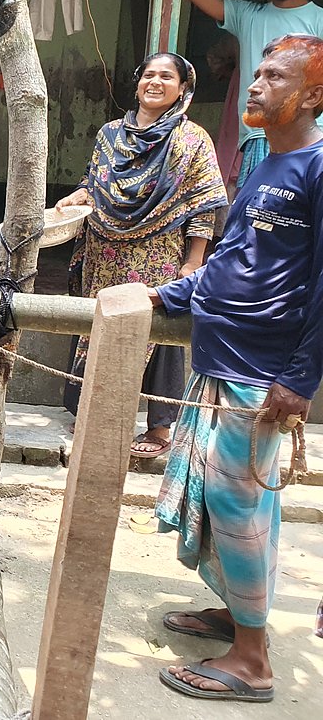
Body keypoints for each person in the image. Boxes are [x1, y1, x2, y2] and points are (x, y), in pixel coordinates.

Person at [151, 34, 323, 703]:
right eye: (257, 73)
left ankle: (252, 660)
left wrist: (300, 380)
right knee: (241, 504)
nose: (255, 85)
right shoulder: (263, 162)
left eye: (275, 77)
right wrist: (169, 293)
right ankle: (235, 611)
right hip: (224, 358)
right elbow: (232, 259)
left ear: (312, 95)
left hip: (264, 369)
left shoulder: (316, 167)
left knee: (236, 500)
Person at [56, 53, 228, 458]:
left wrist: (193, 262)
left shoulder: (192, 140)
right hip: (104, 249)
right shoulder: (110, 133)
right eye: (148, 74)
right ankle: (92, 411)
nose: (155, 82)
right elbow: (94, 180)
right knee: (97, 323)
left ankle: (161, 426)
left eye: (166, 76)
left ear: (183, 87)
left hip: (159, 253)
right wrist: (81, 194)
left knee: (159, 328)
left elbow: (203, 204)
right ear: (137, 84)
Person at [183, 0, 323, 188]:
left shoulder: (319, 19)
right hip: (258, 136)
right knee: (255, 220)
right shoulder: (247, 15)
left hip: (309, 138)